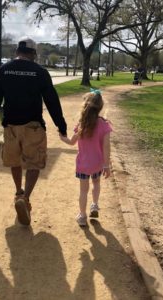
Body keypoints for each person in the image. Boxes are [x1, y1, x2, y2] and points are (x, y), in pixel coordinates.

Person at [0, 37, 67, 226]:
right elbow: (52, 100)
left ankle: (18, 192)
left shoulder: (3, 70)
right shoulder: (40, 72)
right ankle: (26, 198)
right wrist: (61, 125)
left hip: (10, 126)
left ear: (16, 52)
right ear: (34, 54)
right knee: (33, 164)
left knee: (15, 161)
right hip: (33, 126)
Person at [59, 89, 112, 226]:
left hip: (83, 164)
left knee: (83, 190)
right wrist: (107, 166)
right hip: (97, 164)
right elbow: (106, 147)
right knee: (96, 183)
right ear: (100, 107)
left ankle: (82, 216)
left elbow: (71, 142)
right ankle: (94, 205)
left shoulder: (82, 124)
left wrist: (62, 137)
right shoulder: (104, 125)